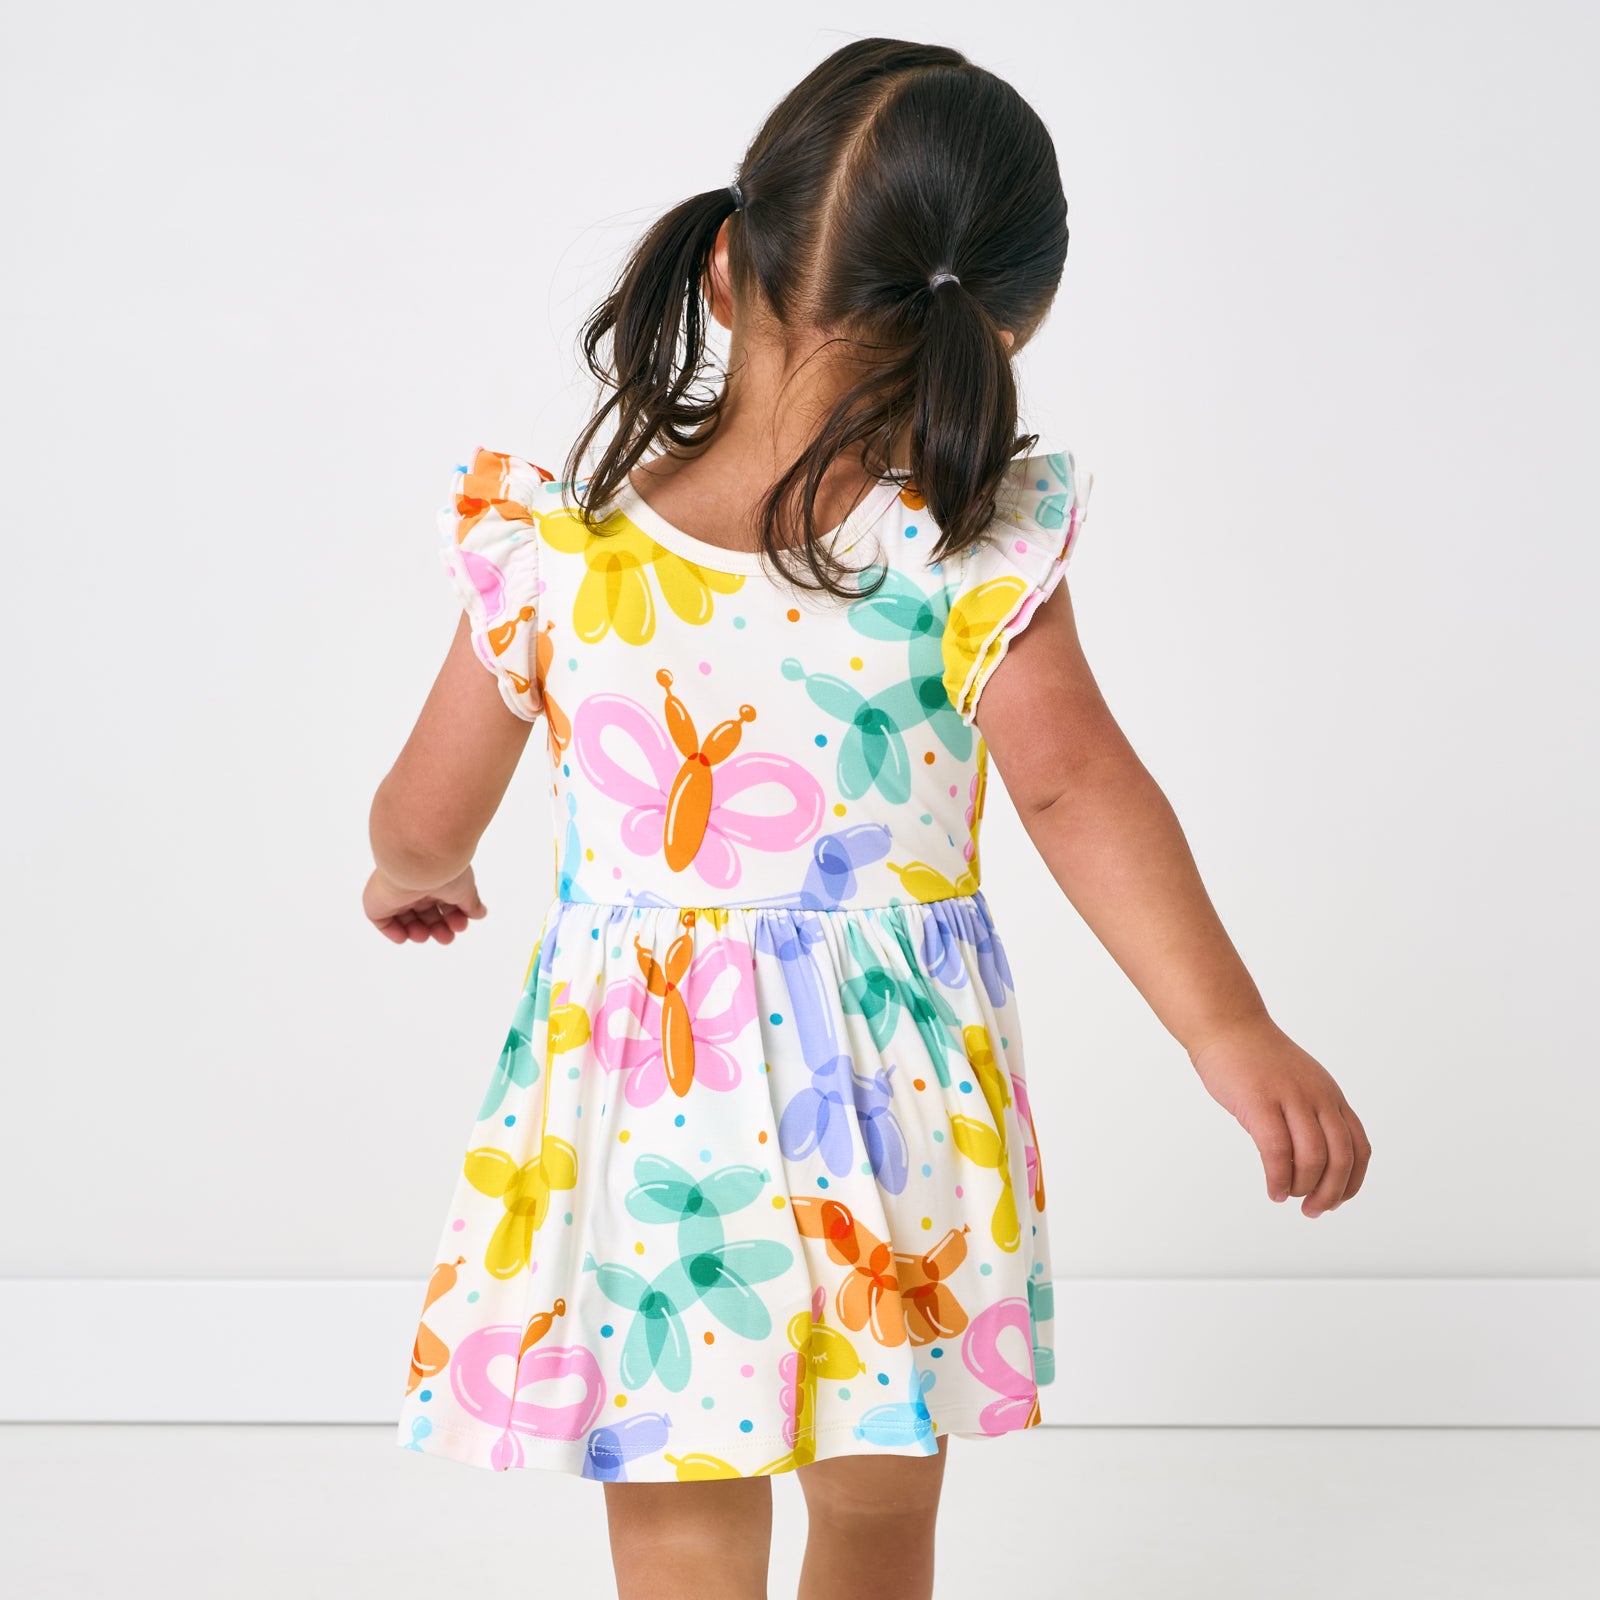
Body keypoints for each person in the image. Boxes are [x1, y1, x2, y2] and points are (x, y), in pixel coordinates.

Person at [364, 35, 1371, 1600]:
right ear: (1004, 325)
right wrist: (1226, 1029)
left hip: (655, 1122)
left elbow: (427, 814)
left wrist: (406, 873)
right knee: (881, 1515)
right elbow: (1074, 787)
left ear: (724, 267)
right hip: (894, 1116)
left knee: (682, 1521)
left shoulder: (557, 553)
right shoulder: (966, 545)